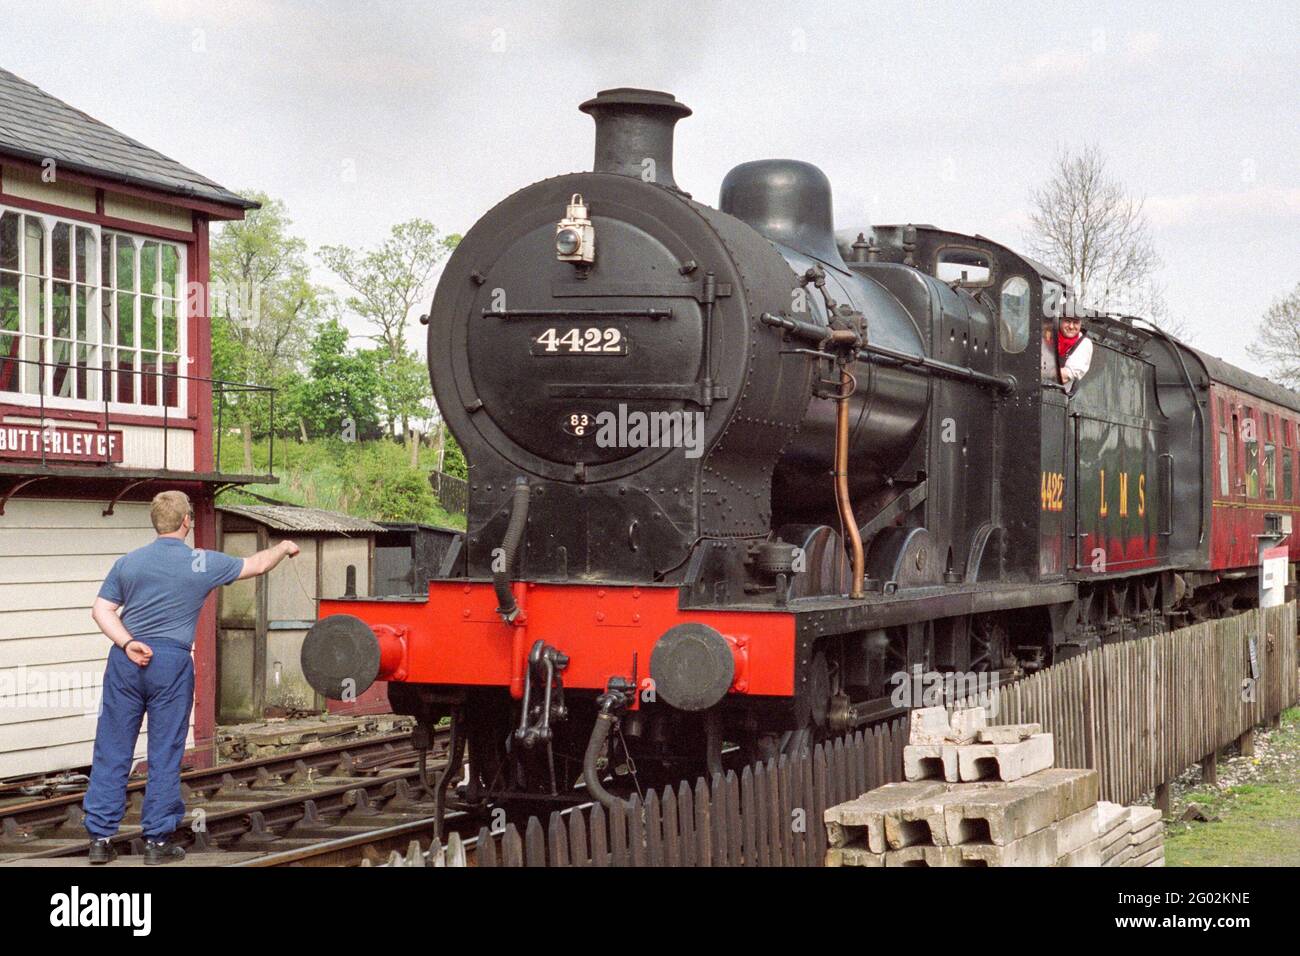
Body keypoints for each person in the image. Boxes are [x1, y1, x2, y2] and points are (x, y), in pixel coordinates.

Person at [83, 490, 300, 864]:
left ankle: (100, 841)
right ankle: (157, 843)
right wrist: (282, 547)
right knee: (165, 750)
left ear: (156, 523)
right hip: (169, 661)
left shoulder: (128, 563)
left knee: (112, 746)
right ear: (187, 522)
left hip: (126, 659)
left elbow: (101, 610)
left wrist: (128, 642)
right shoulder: (201, 562)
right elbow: (256, 565)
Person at [1040, 314, 1093, 394]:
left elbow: (1063, 377)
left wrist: (1041, 370)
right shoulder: (1048, 335)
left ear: (1080, 324)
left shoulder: (1084, 343)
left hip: (1057, 397)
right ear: (1059, 321)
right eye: (1067, 321)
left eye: (1075, 322)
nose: (1071, 326)